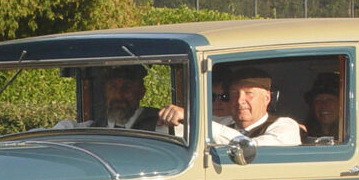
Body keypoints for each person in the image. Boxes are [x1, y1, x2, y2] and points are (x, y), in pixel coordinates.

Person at [158, 66, 301, 146]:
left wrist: (193, 117)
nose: (240, 100)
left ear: (267, 98)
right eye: (233, 94)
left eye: (249, 93)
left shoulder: (285, 126)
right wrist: (167, 120)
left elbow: (248, 148)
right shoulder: (226, 125)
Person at [53, 64, 161, 131]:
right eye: (113, 87)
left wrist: (178, 113)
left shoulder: (160, 126)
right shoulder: (90, 130)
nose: (119, 95)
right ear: (105, 92)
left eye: (127, 87)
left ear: (141, 92)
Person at [302, 72, 341, 142]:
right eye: (318, 100)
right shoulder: (303, 138)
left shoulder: (346, 138)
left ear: (340, 105)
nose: (324, 105)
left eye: (330, 100)